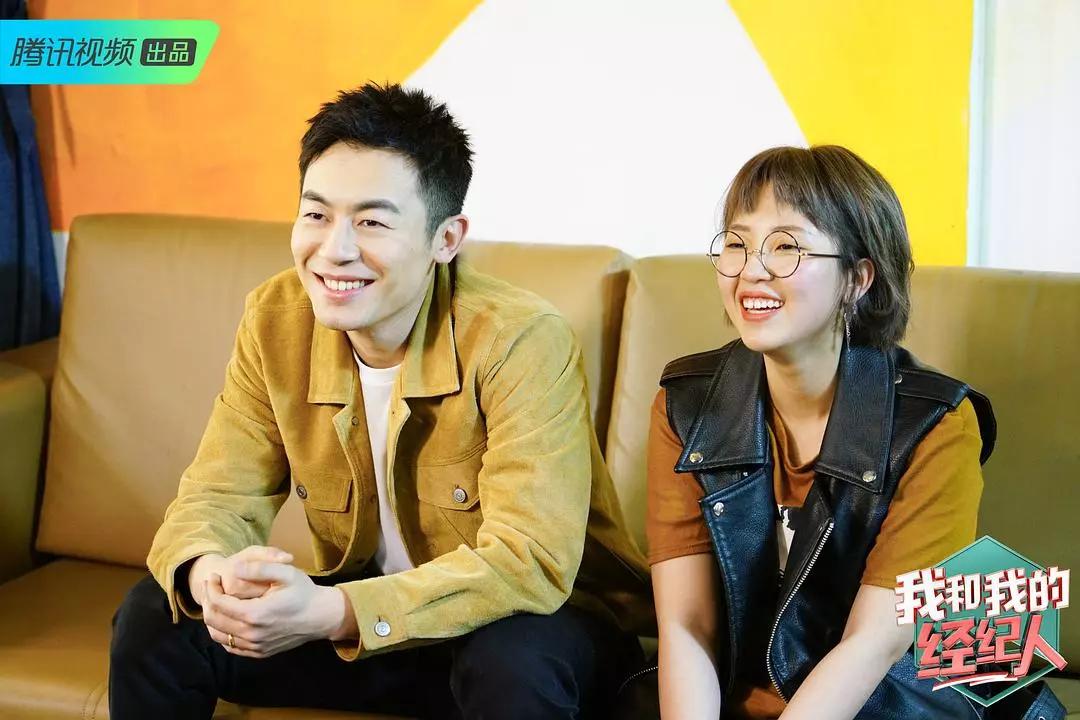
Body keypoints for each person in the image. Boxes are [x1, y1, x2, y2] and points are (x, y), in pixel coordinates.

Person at [109, 83, 653, 720]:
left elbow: (527, 562)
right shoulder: (275, 319)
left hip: (531, 630)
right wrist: (213, 581)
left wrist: (331, 612)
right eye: (316, 215)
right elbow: (217, 495)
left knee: (513, 660)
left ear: (446, 238)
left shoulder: (519, 338)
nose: (335, 250)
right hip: (373, 627)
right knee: (158, 615)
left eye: (371, 222)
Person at [645, 145, 1064, 719]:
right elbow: (687, 625)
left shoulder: (938, 423)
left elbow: (874, 644)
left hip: (913, 691)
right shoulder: (686, 406)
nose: (751, 270)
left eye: (786, 246)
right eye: (737, 244)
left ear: (857, 278)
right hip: (773, 686)